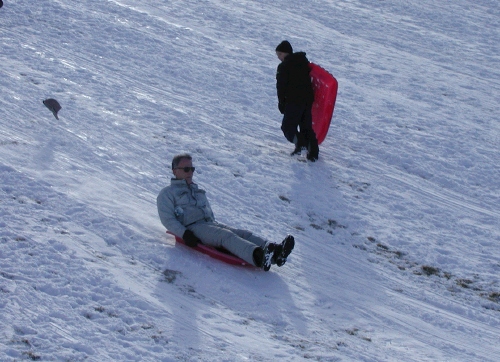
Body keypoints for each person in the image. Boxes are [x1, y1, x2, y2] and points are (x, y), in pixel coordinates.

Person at [157, 153, 295, 271]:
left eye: (192, 169)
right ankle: (259, 256)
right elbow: (167, 219)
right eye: (186, 169)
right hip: (192, 228)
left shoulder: (196, 190)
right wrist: (185, 234)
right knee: (226, 236)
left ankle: (277, 252)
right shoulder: (167, 194)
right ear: (175, 171)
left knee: (242, 233)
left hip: (209, 224)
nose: (190, 173)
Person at [275, 40, 319, 161]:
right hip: (307, 99)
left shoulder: (283, 67)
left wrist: (281, 103)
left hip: (293, 101)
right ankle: (313, 153)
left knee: (287, 127)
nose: (278, 57)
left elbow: (281, 87)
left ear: (285, 53)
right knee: (306, 126)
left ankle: (300, 145)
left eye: (279, 54)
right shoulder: (303, 62)